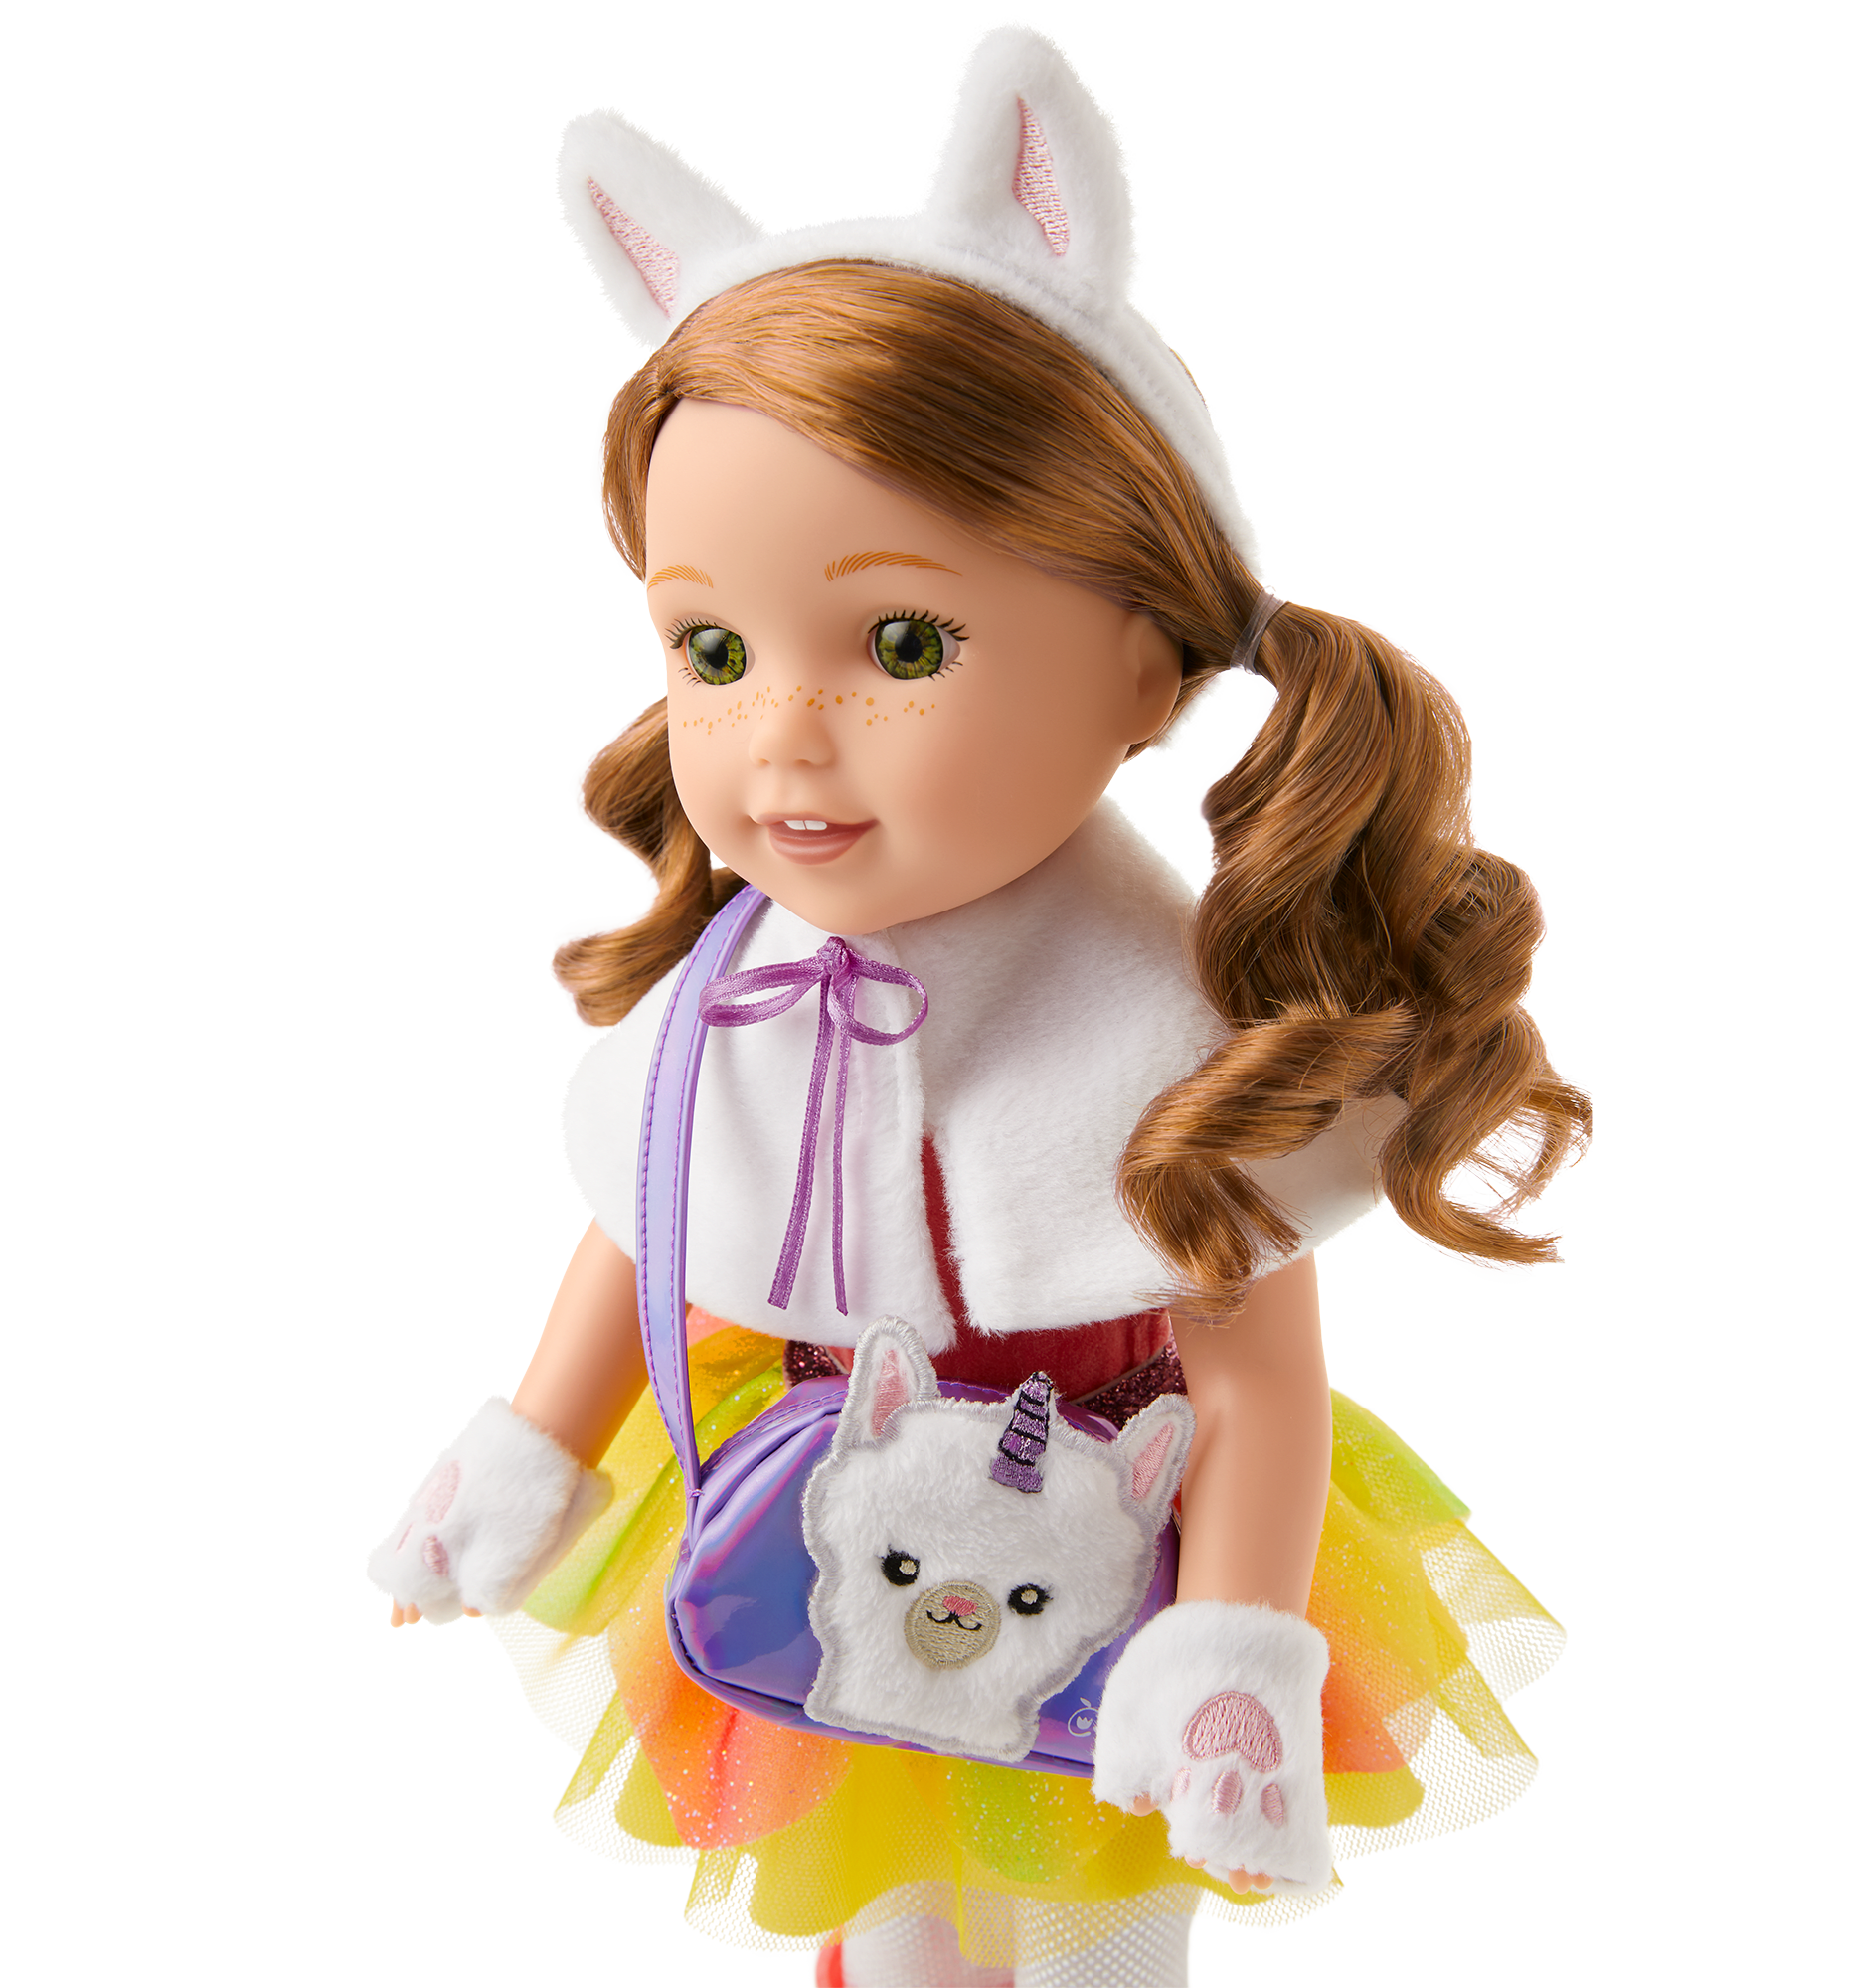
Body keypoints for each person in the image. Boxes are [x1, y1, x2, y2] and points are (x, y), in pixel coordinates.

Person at [370, 29, 1589, 1988]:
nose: (782, 735)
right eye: (710, 647)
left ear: (1144, 671)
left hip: (1113, 1516)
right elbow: (655, 1219)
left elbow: (1255, 1379)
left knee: (1099, 1930)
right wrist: (533, 1441)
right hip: (823, 1508)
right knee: (889, 1912)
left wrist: (1227, 1640)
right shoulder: (739, 990)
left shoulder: (1174, 1035)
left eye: (902, 640)